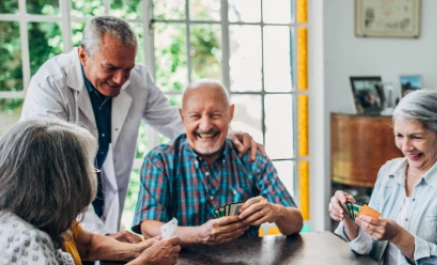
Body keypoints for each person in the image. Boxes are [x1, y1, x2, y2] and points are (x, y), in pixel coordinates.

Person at [19, 15, 263, 237]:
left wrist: (228, 135)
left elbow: (174, 121)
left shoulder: (137, 80)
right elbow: (54, 169)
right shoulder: (51, 83)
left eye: (127, 69)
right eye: (110, 68)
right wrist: (98, 238)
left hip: (102, 200)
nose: (120, 79)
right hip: (50, 205)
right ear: (83, 55)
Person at [132, 79, 303, 245]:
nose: (205, 126)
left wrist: (277, 212)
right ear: (182, 117)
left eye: (215, 115)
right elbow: (149, 228)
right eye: (195, 116)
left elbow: (296, 223)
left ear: (230, 114)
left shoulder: (251, 158)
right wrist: (199, 234)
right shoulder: (160, 161)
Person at [328, 91, 437, 265]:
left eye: (416, 137)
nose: (406, 147)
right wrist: (349, 214)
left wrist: (398, 236)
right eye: (399, 136)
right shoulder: (389, 171)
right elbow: (366, 247)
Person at [0, 118, 180, 265]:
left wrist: (139, 251)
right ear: (63, 184)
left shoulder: (33, 218)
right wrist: (146, 262)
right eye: (87, 170)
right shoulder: (29, 241)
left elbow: (85, 245)